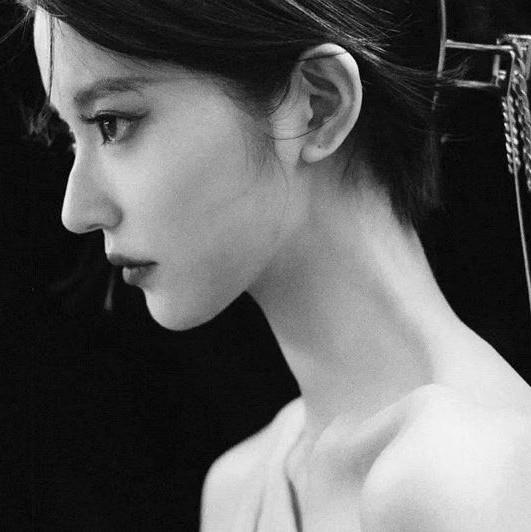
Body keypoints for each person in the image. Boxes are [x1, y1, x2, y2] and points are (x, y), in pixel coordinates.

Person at [18, 0, 531, 529]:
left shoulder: (460, 475)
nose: (75, 212)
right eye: (72, 137)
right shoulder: (239, 486)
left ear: (317, 105)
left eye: (111, 123)